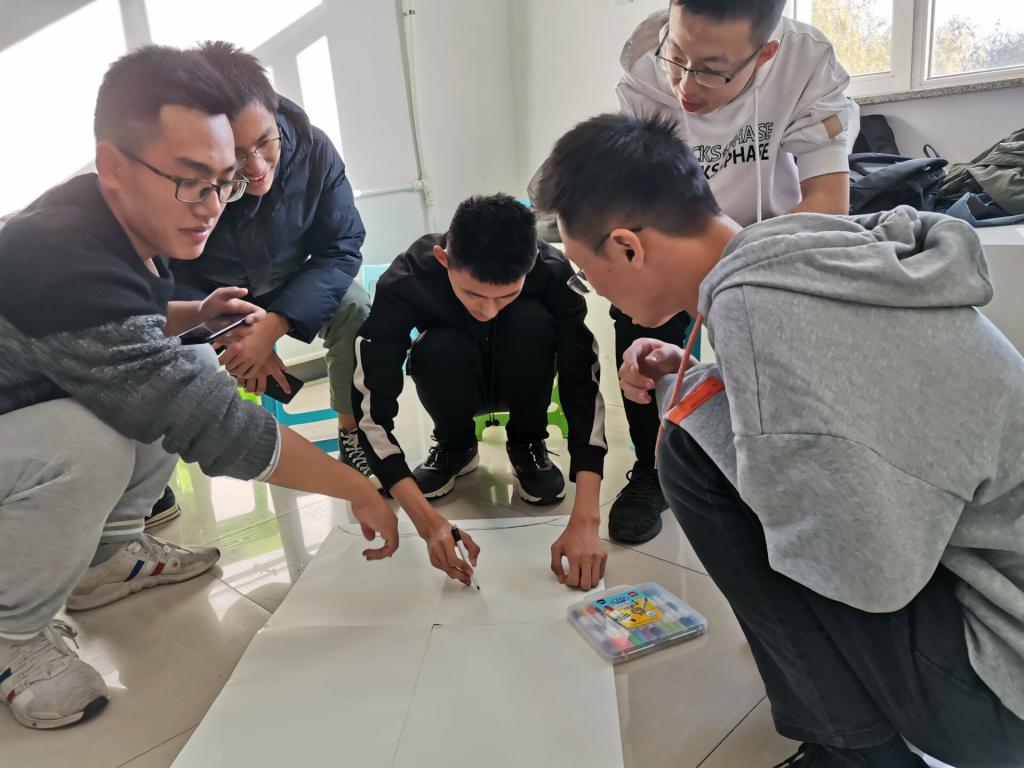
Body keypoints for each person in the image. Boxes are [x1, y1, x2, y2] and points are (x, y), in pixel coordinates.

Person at [533, 112, 1024, 767]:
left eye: (588, 273)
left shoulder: (757, 311)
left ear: (626, 247)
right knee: (696, 429)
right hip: (998, 599)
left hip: (1002, 688)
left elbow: (864, 574)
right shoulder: (800, 254)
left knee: (690, 448)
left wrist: (711, 408)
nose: (597, 292)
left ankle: (857, 756)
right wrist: (705, 380)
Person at [0, 46, 397, 730]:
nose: (213, 205)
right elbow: (205, 419)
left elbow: (124, 324)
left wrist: (194, 314)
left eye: (223, 182)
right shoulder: (62, 259)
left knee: (184, 360)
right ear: (113, 165)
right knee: (93, 438)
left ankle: (107, 560)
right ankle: (10, 635)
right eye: (192, 181)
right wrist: (357, 488)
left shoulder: (105, 214)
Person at [600, 0, 859, 545]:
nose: (684, 83)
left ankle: (781, 473)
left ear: (764, 54)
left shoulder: (806, 62)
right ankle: (653, 468)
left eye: (712, 70)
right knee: (640, 326)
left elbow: (828, 204)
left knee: (769, 364)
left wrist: (732, 269)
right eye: (677, 55)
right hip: (676, 236)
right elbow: (636, 201)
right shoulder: (644, 68)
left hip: (776, 238)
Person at [352, 194, 609, 590]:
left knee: (531, 321)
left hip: (524, 377)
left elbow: (582, 381)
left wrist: (587, 520)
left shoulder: (554, 271)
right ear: (443, 259)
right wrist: (426, 522)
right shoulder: (407, 278)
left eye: (506, 295)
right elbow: (371, 401)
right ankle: (454, 446)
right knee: (435, 345)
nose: (488, 310)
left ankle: (528, 443)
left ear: (532, 263)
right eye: (473, 294)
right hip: (454, 380)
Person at [169, 41, 374, 484]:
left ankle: (354, 434)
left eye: (265, 141)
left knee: (356, 308)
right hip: (212, 295)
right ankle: (153, 483)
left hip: (292, 281)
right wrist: (233, 332)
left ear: (274, 109)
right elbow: (168, 271)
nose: (257, 166)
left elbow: (341, 246)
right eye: (236, 155)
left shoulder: (314, 149)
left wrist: (276, 324)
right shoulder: (184, 174)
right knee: (157, 350)